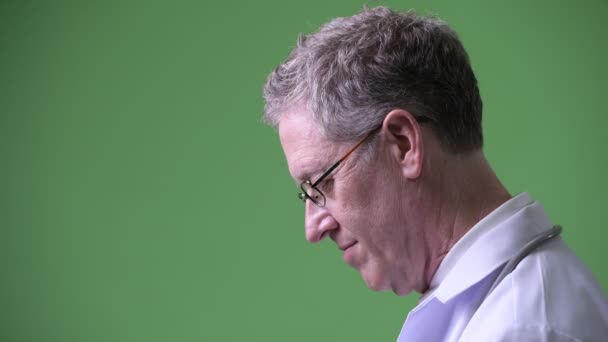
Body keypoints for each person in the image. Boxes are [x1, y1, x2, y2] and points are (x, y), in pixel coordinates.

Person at [262, 6, 608, 341]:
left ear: (404, 144)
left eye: (323, 182)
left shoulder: (523, 329)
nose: (313, 228)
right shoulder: (496, 307)